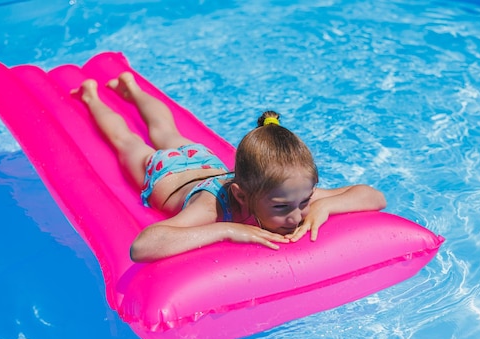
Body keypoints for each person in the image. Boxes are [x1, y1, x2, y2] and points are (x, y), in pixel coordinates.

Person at [72, 72, 387, 262]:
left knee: (164, 129)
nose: (295, 216)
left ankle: (131, 87)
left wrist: (325, 207)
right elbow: (143, 246)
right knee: (125, 140)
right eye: (280, 208)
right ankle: (91, 96)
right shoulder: (212, 208)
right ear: (240, 195)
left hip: (205, 161)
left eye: (303, 202)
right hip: (164, 173)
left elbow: (373, 196)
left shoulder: (288, 193)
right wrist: (227, 230)